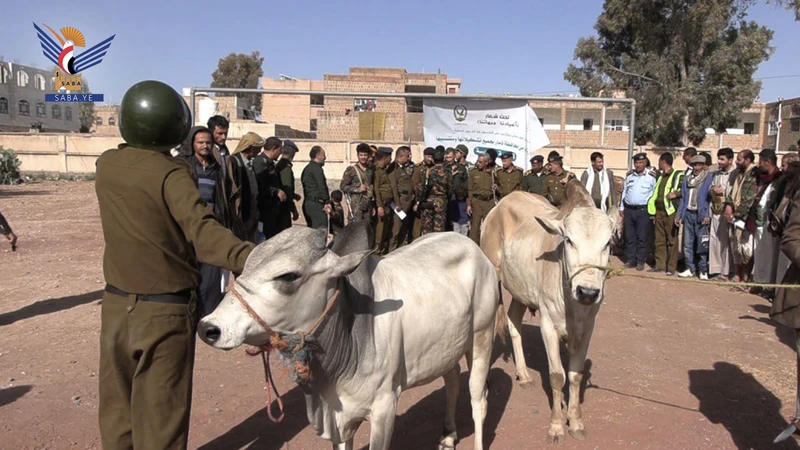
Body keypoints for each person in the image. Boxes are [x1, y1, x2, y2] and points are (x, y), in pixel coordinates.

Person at [95, 80, 254, 450]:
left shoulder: (107, 165)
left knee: (118, 415)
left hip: (117, 307)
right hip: (164, 314)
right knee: (162, 420)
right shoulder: (171, 175)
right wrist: (252, 256)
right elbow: (204, 232)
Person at [176, 126, 234, 317]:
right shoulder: (183, 165)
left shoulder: (215, 167)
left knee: (211, 269)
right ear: (192, 143)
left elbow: (221, 197)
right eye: (200, 142)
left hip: (211, 224)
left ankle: (207, 312)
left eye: (208, 142)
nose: (205, 146)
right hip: (187, 224)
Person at [676, 155, 714, 279]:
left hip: (701, 215)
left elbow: (710, 199)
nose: (697, 167)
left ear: (703, 166)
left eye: (699, 165)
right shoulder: (687, 179)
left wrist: (707, 215)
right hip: (688, 213)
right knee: (687, 244)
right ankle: (690, 268)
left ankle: (703, 269)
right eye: (694, 165)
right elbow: (683, 198)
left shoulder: (708, 178)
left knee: (702, 243)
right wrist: (679, 215)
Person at [751, 148, 785, 286]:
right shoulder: (762, 179)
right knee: (759, 251)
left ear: (768, 162)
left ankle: (768, 283)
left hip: (771, 221)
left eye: (761, 162)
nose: (759, 165)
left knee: (770, 254)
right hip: (760, 220)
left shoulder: (779, 179)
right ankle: (758, 280)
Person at [647, 152, 684, 275]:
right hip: (659, 212)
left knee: (672, 240)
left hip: (670, 212)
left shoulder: (678, 175)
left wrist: (676, 194)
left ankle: (671, 267)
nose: (658, 164)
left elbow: (684, 190)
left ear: (663, 162)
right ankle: (660, 265)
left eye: (659, 162)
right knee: (659, 240)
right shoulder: (661, 177)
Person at [724, 150, 758, 283]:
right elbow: (732, 192)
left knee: (746, 248)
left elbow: (749, 198)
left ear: (748, 160)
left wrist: (736, 214)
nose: (737, 162)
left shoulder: (753, 174)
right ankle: (737, 274)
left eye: (739, 159)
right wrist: (729, 206)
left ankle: (746, 276)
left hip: (745, 217)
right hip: (735, 215)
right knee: (735, 246)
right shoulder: (738, 174)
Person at [620, 153, 657, 271]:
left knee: (642, 237)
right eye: (636, 163)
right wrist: (621, 207)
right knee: (630, 237)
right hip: (629, 210)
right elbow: (624, 192)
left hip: (643, 211)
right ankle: (631, 260)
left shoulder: (651, 177)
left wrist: (653, 212)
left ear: (645, 163)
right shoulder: (630, 176)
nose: (638, 165)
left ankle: (641, 261)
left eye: (640, 162)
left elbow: (654, 194)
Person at [230, 132, 265, 243]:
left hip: (252, 209)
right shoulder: (235, 162)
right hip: (242, 212)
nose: (259, 151)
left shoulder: (249, 163)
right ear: (250, 148)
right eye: (258, 148)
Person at [708, 148, 735, 280]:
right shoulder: (716, 174)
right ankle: (715, 270)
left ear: (730, 160)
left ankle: (725, 271)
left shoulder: (735, 174)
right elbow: (710, 188)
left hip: (727, 213)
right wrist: (714, 189)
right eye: (718, 159)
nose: (719, 161)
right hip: (715, 211)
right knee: (714, 241)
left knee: (726, 243)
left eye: (722, 159)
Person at [253, 137, 286, 240]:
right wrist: (276, 191)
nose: (280, 154)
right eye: (280, 150)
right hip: (264, 209)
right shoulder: (260, 162)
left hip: (272, 209)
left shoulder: (269, 163)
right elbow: (260, 185)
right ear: (274, 149)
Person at [419, 147, 453, 234]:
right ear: (443, 159)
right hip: (441, 201)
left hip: (428, 201)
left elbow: (421, 188)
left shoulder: (427, 171)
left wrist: (420, 201)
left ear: (433, 160)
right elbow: (450, 189)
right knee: (439, 229)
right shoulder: (447, 172)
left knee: (427, 229)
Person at [389, 146, 416, 250]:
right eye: (407, 156)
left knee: (403, 229)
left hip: (406, 202)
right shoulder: (394, 169)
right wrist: (397, 204)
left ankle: (399, 250)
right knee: (396, 229)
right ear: (400, 156)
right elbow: (394, 188)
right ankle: (391, 251)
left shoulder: (403, 168)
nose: (409, 158)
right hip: (399, 203)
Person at [340, 143, 374, 223]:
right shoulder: (351, 170)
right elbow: (343, 186)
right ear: (357, 155)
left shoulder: (370, 170)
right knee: (355, 230)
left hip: (367, 205)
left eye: (365, 155)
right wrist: (357, 189)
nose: (363, 157)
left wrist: (373, 206)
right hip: (356, 206)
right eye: (361, 155)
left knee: (366, 230)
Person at [467, 152, 496, 244]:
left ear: (486, 162)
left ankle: (488, 245)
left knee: (489, 226)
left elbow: (500, 185)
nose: (478, 163)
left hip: (489, 202)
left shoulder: (493, 172)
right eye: (478, 161)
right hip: (477, 202)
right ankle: (474, 246)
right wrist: (469, 205)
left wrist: (496, 186)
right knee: (475, 228)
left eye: (480, 162)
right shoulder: (473, 172)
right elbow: (470, 190)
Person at [301, 145, 331, 230]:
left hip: (309, 203)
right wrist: (327, 201)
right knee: (320, 232)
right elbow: (321, 186)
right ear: (318, 156)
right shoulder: (316, 169)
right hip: (316, 205)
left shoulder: (307, 168)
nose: (325, 158)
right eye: (323, 155)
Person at [372, 147, 395, 255]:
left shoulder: (383, 169)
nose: (391, 159)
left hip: (387, 205)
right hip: (382, 206)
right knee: (379, 232)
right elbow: (376, 189)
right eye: (389, 157)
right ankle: (376, 253)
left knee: (385, 231)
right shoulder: (377, 170)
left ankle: (381, 251)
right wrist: (379, 206)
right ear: (385, 158)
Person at [275, 140, 301, 234]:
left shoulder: (279, 165)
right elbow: (287, 190)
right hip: (283, 209)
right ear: (292, 155)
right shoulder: (285, 168)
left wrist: (294, 195)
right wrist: (293, 210)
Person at [411, 148, 435, 241]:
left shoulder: (435, 168)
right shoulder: (418, 168)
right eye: (428, 156)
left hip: (431, 200)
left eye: (431, 157)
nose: (430, 159)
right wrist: (417, 201)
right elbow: (415, 185)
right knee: (417, 226)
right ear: (424, 156)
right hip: (419, 200)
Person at [447, 147, 470, 236]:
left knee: (463, 223)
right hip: (451, 198)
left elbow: (467, 184)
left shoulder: (466, 168)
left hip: (462, 199)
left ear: (463, 154)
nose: (456, 154)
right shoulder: (452, 167)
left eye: (458, 152)